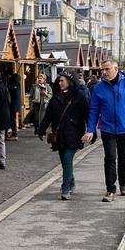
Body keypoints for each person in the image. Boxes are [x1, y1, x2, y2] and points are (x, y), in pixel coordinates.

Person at [82, 60, 125, 202]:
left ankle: (123, 184)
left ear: (116, 69)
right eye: (102, 69)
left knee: (124, 157)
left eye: (107, 69)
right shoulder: (99, 88)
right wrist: (90, 129)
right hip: (107, 128)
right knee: (110, 157)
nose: (103, 72)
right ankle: (110, 190)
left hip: (124, 127)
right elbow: (94, 110)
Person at [36, 72, 90, 200]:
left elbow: (88, 114)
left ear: (70, 82)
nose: (60, 83)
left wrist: (90, 131)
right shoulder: (56, 96)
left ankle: (65, 187)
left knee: (67, 159)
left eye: (62, 81)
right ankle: (71, 182)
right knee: (64, 160)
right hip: (59, 134)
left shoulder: (79, 96)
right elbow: (48, 115)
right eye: (59, 81)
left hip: (74, 133)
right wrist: (41, 129)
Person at [6, 71, 21, 140]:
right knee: (14, 119)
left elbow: (13, 95)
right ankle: (14, 133)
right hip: (16, 104)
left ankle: (14, 134)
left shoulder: (13, 84)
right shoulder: (18, 84)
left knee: (12, 119)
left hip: (12, 104)